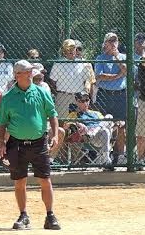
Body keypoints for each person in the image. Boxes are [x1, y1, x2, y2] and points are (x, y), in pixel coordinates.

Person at [0, 60, 60, 231]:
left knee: (45, 180)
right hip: (16, 144)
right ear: (18, 75)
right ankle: (23, 215)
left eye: (31, 71)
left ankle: (50, 215)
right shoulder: (8, 98)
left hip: (39, 142)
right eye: (28, 71)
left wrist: (54, 135)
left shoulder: (41, 92)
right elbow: (1, 122)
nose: (32, 73)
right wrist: (2, 142)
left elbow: (52, 115)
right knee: (20, 181)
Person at [95, 33, 127, 166]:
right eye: (110, 41)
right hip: (104, 94)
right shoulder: (100, 57)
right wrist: (117, 76)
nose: (113, 43)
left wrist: (116, 57)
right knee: (104, 125)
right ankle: (104, 156)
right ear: (105, 43)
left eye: (115, 41)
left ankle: (119, 155)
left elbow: (126, 70)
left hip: (120, 95)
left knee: (121, 126)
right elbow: (100, 76)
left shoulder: (123, 57)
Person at [64, 91, 113, 167]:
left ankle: (106, 159)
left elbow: (106, 123)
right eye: (82, 101)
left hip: (100, 136)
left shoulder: (96, 113)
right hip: (88, 139)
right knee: (105, 130)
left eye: (87, 100)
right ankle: (106, 160)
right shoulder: (74, 114)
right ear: (77, 102)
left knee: (109, 117)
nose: (85, 103)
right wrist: (76, 123)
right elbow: (66, 126)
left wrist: (117, 123)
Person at [50, 39, 91, 119]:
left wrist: (85, 95)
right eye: (69, 49)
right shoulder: (58, 63)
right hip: (63, 95)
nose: (71, 51)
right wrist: (58, 94)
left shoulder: (82, 63)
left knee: (79, 121)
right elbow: (52, 81)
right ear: (64, 51)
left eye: (73, 48)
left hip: (79, 97)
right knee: (62, 121)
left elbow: (87, 80)